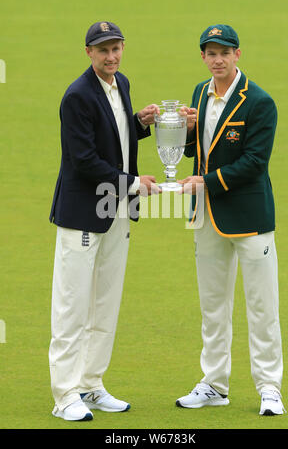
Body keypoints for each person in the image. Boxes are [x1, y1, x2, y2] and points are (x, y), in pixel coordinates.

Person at [48, 21, 160, 421]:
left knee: (104, 304)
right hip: (83, 214)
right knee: (72, 306)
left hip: (115, 213)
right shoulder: (77, 96)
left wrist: (141, 124)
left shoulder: (121, 83)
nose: (111, 57)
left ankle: (91, 384)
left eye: (116, 49)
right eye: (103, 51)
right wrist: (133, 184)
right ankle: (65, 395)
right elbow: (84, 159)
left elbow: (113, 138)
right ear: (89, 53)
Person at [177, 24, 285, 416]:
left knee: (262, 306)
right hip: (206, 217)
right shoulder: (198, 94)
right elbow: (197, 150)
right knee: (213, 306)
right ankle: (214, 384)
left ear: (237, 54)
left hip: (251, 218)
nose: (217, 59)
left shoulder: (260, 102)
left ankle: (270, 388)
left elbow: (255, 163)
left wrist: (204, 183)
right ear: (203, 57)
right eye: (210, 53)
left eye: (224, 52)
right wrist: (188, 132)